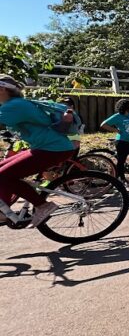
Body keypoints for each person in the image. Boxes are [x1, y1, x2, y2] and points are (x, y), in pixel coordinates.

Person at [0, 76, 76, 227]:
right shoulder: (13, 104)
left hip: (53, 148)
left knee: (4, 175)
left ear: (2, 89)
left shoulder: (13, 106)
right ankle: (4, 211)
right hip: (45, 146)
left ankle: (42, 205)